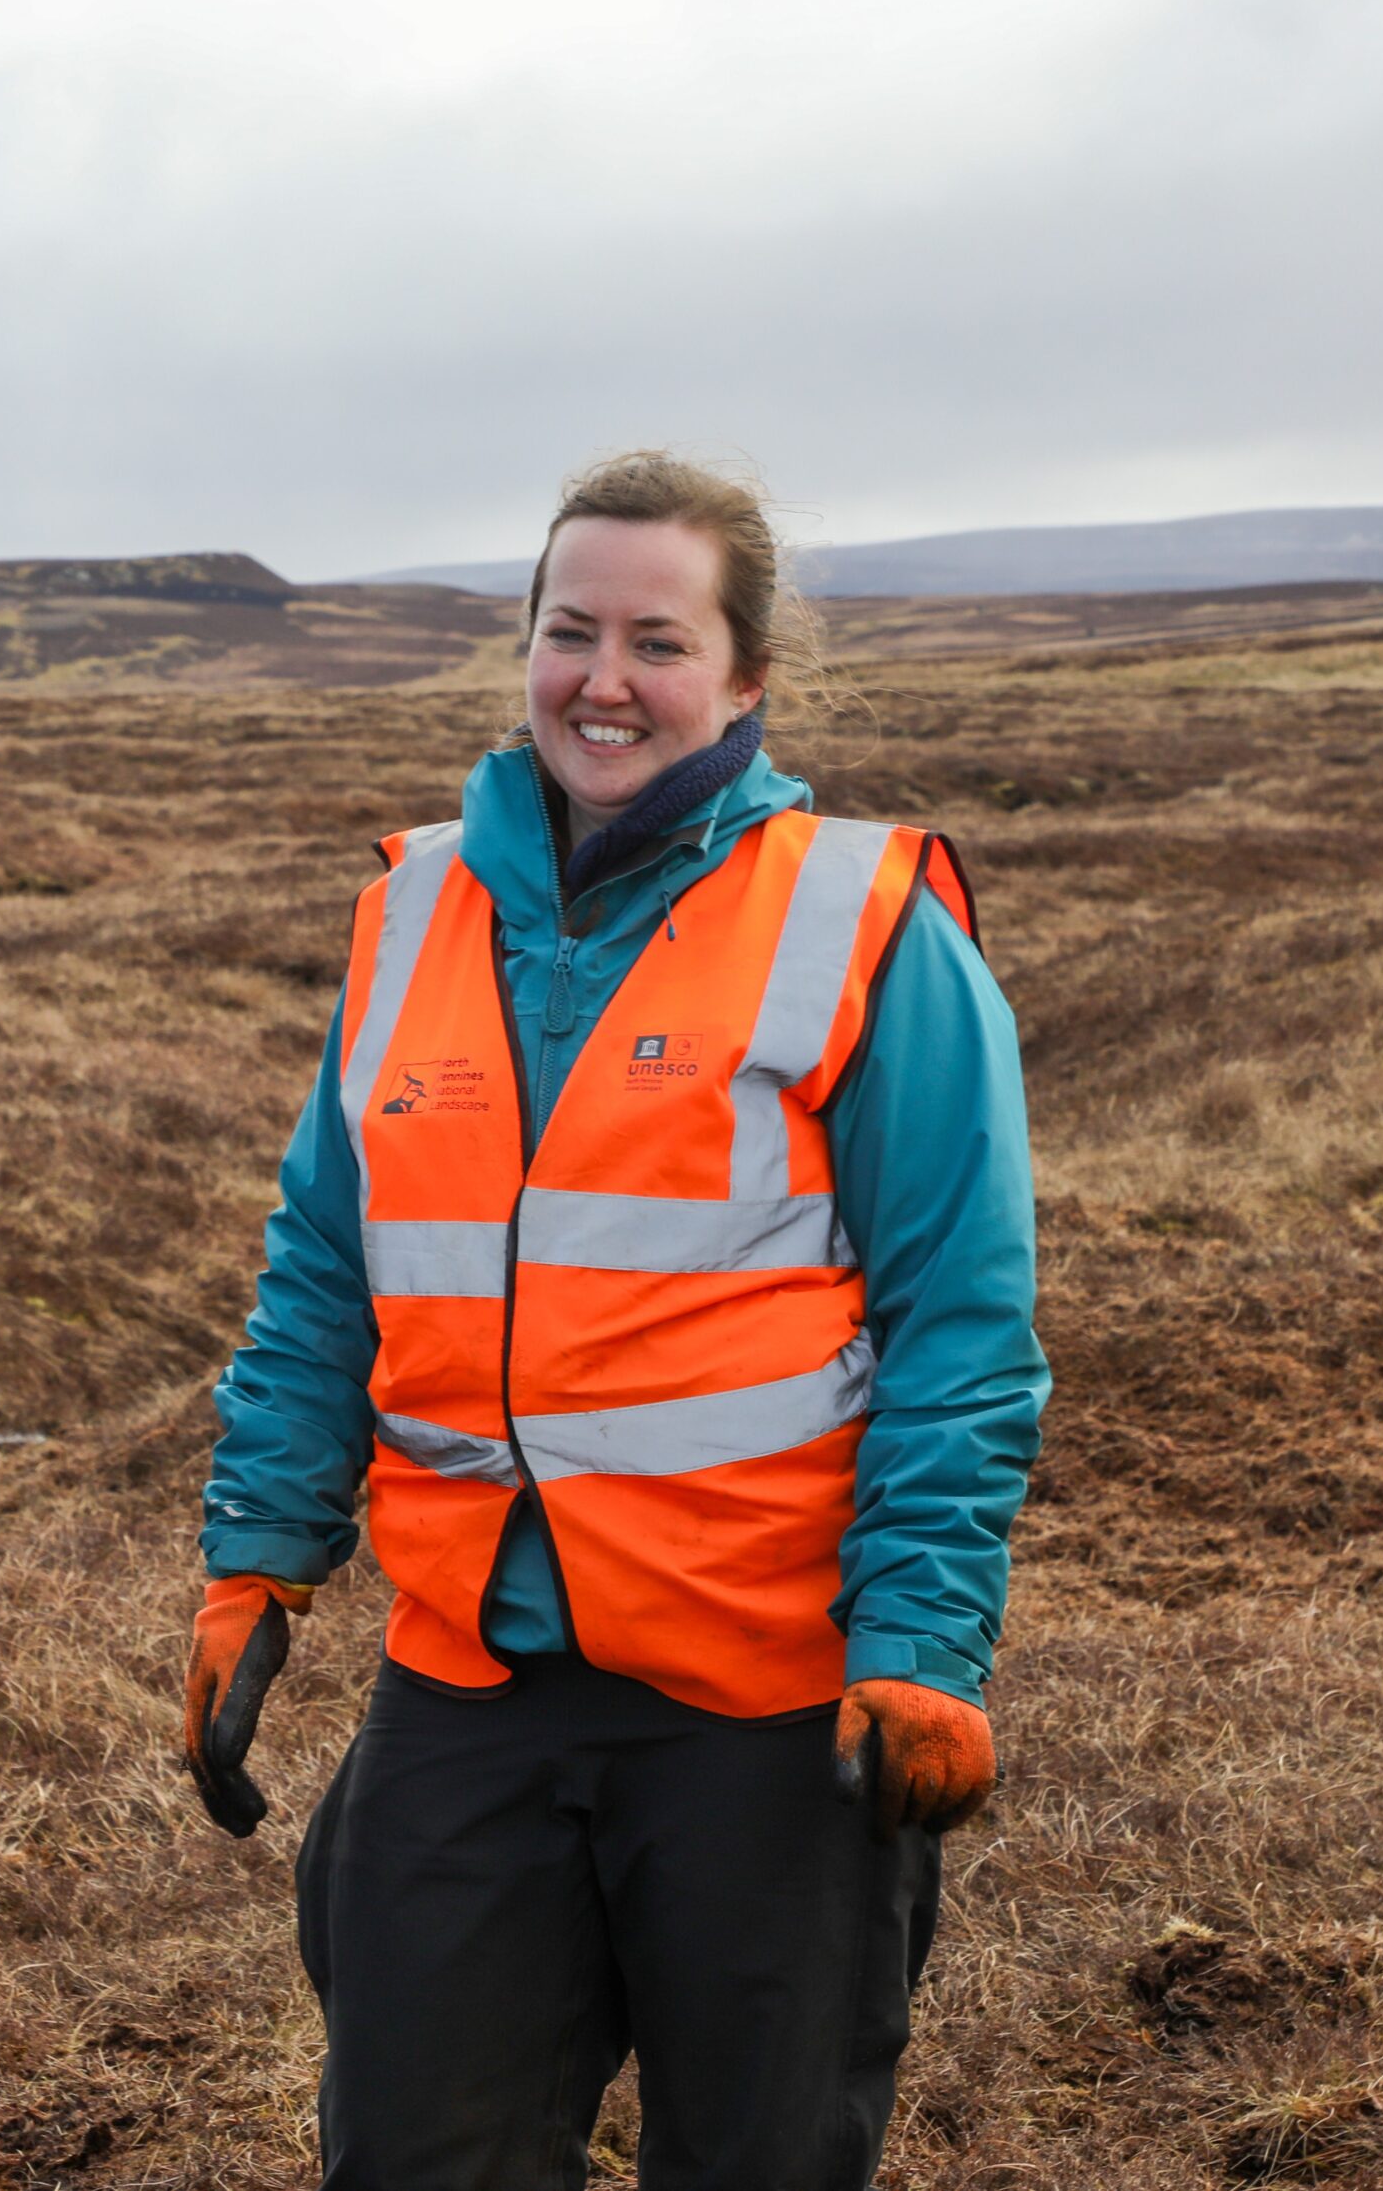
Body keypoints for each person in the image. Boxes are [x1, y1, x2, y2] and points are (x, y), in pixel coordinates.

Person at [180, 451, 1049, 2190]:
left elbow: (963, 1325)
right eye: (569, 629)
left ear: (746, 674)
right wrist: (257, 1556)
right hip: (470, 1681)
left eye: (659, 638)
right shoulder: (411, 911)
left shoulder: (861, 923)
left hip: (766, 1700)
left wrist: (921, 1646)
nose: (603, 678)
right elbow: (326, 1275)